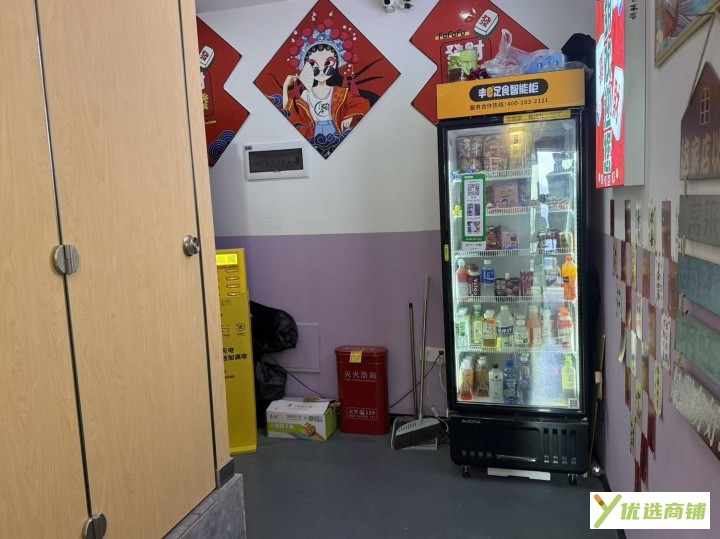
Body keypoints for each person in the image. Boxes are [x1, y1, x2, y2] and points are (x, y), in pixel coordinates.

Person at [282, 43, 370, 140]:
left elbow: (362, 103)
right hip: (314, 133)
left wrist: (350, 116)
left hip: (335, 131)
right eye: (313, 64)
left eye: (328, 63)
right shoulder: (306, 94)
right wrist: (285, 87)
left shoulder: (339, 92)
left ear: (336, 64)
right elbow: (289, 113)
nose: (321, 70)